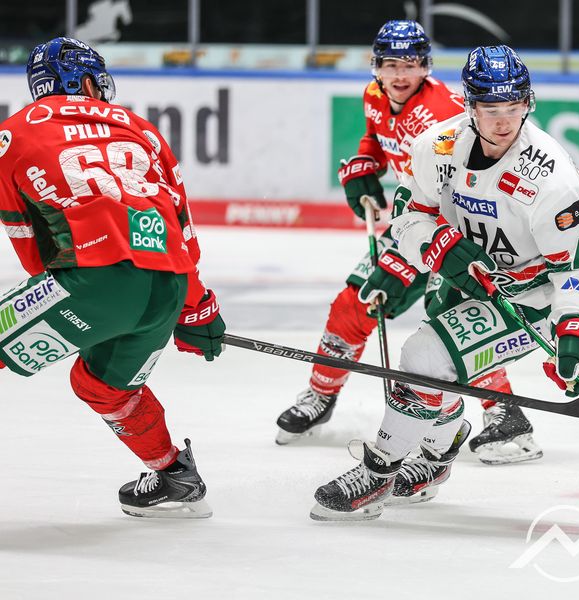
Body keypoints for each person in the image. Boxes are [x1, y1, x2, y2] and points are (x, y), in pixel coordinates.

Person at [310, 45, 579, 521]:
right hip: (464, 285)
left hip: (528, 296)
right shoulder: (437, 146)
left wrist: (572, 325)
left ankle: (378, 472)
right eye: (491, 109)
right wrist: (437, 245)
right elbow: (408, 217)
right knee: (439, 374)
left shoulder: (552, 176)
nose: (504, 122)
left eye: (514, 108)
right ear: (470, 105)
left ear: (528, 103)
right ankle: (433, 461)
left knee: (422, 358)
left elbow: (576, 264)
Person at [276, 20, 542, 467]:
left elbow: (465, 183)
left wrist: (417, 252)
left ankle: (505, 414)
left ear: (426, 66)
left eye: (411, 64)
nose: (401, 74)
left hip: (455, 229)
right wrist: (365, 163)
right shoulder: (375, 96)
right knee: (356, 303)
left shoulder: (440, 111)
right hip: (412, 223)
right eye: (391, 64)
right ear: (376, 67)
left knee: (451, 320)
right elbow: (377, 139)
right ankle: (321, 395)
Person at [0, 37, 226, 518]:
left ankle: (173, 473)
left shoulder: (12, 133)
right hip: (167, 287)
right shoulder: (142, 129)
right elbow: (180, 230)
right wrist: (196, 307)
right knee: (102, 385)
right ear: (86, 82)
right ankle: (173, 474)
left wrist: (74, 304)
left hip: (94, 283)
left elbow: (28, 240)